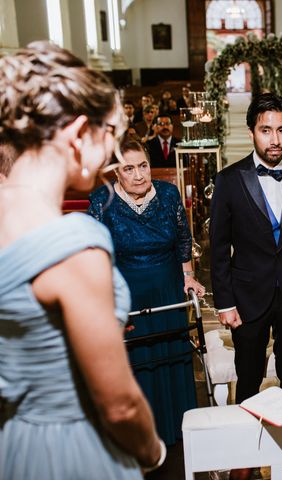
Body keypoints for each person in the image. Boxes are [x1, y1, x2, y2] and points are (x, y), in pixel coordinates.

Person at [0, 41, 163, 479]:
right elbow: (120, 406)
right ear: (76, 135)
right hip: (71, 449)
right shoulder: (73, 244)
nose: (113, 155)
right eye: (109, 134)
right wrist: (152, 454)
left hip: (13, 444)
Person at [209, 93, 282, 404]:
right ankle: (247, 444)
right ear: (251, 133)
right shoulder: (228, 181)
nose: (275, 139)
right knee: (248, 378)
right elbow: (218, 248)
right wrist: (224, 303)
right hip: (247, 297)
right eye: (266, 130)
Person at [87, 140, 203, 446]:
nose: (139, 175)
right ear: (116, 173)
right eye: (129, 168)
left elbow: (182, 239)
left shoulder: (167, 194)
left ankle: (179, 433)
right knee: (136, 361)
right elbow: (95, 253)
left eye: (143, 166)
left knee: (172, 356)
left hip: (167, 287)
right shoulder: (102, 200)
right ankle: (141, 437)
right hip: (127, 292)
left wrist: (188, 276)